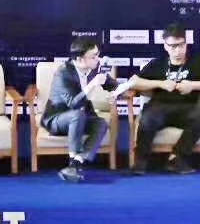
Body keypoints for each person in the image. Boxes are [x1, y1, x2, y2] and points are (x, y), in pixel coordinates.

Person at [130, 23, 200, 175]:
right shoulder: (158, 63)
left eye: (181, 45)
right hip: (159, 109)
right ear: (165, 46)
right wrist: (160, 83)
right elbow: (134, 82)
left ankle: (177, 157)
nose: (178, 50)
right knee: (146, 119)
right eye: (173, 46)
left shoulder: (197, 61)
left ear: (186, 43)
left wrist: (192, 85)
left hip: (186, 109)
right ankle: (140, 160)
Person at [41, 37, 132, 182]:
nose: (98, 59)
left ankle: (77, 163)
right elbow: (74, 104)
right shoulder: (63, 73)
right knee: (77, 114)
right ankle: (72, 161)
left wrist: (120, 92)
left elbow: (113, 85)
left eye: (98, 55)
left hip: (81, 117)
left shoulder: (94, 68)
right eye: (94, 56)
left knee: (101, 123)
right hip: (57, 119)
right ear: (80, 59)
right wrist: (92, 85)